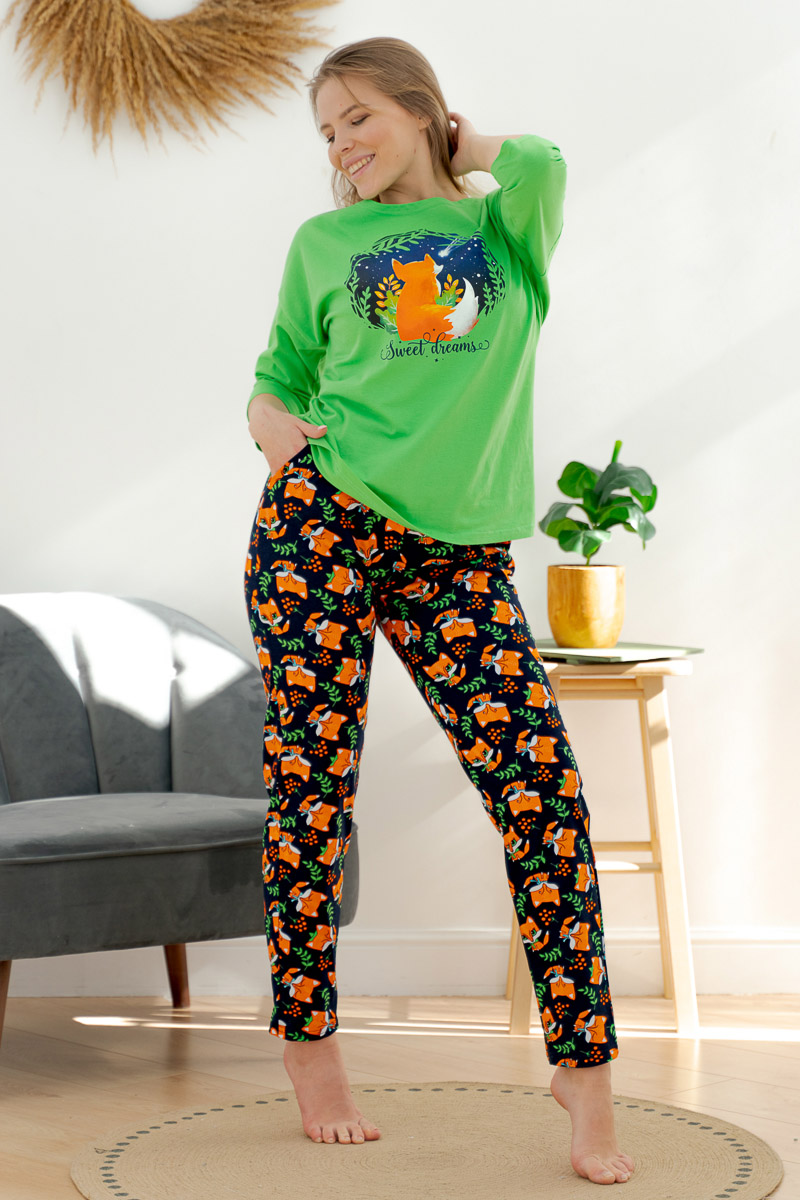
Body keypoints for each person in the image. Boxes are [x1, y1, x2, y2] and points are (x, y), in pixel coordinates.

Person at [243, 35, 635, 1186]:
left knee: (540, 794)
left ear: (422, 110)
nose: (341, 145)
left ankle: (584, 1070)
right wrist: (268, 426)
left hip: (457, 558)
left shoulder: (503, 229)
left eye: (358, 116)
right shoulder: (321, 244)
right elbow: (279, 368)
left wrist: (466, 147)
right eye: (326, 131)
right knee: (312, 788)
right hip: (323, 525)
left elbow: (544, 162)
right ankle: (309, 1046)